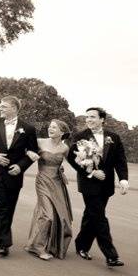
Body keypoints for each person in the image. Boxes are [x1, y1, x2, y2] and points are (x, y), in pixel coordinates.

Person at [67, 107, 129, 267]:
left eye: (93, 117)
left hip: (106, 185)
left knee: (92, 216)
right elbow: (72, 159)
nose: (88, 119)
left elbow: (120, 160)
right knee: (100, 217)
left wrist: (123, 179)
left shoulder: (113, 137)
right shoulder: (80, 136)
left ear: (102, 119)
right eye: (87, 117)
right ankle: (111, 255)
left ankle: (81, 245)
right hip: (89, 183)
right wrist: (92, 172)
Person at [0, 95, 38, 257]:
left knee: (8, 209)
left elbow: (33, 152)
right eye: (1, 106)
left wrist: (20, 166)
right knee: (0, 207)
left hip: (14, 176)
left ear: (14, 108)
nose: (0, 108)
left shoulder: (28, 128)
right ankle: (4, 243)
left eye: (4, 106)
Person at [24, 120, 73, 260]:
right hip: (42, 181)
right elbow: (24, 148)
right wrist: (28, 153)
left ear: (62, 132)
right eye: (50, 126)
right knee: (48, 215)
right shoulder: (39, 142)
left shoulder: (65, 148)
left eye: (54, 127)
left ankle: (54, 246)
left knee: (63, 218)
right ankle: (37, 248)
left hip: (57, 183)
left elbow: (73, 163)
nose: (50, 128)